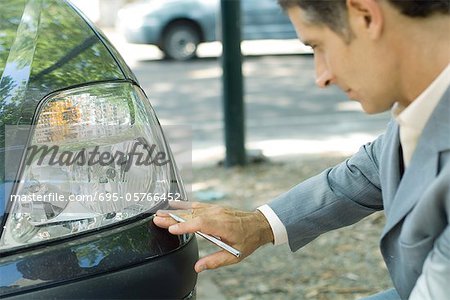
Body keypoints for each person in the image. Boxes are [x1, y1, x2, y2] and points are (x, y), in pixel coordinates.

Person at [154, 0, 450, 299]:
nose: (321, 77)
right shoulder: (423, 103)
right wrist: (259, 225)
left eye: (318, 46)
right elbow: (373, 169)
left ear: (365, 15)